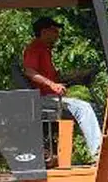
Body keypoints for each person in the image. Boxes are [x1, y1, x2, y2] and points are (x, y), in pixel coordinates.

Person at [22, 17, 102, 161]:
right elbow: (29, 71)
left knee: (88, 106)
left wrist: (75, 76)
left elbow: (52, 75)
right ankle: (98, 152)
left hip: (48, 97)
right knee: (83, 108)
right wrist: (52, 85)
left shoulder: (45, 50)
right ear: (44, 31)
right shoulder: (35, 47)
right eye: (55, 31)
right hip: (42, 99)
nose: (58, 35)